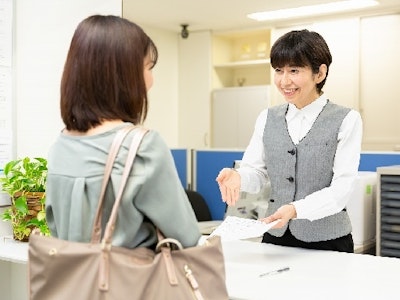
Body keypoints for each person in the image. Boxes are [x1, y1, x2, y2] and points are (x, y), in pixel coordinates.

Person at [45, 15, 201, 249]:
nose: (151, 81)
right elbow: (186, 235)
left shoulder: (61, 145)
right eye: (148, 68)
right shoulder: (142, 146)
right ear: (123, 75)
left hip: (74, 282)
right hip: (127, 283)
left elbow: (55, 226)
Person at [216, 29, 362, 253]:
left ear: (320, 73)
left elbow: (341, 190)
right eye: (278, 70)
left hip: (329, 240)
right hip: (275, 235)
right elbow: (257, 173)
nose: (284, 81)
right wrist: (239, 177)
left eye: (294, 70)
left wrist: (296, 209)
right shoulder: (267, 117)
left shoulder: (346, 119)